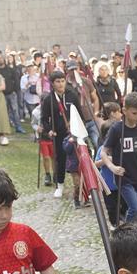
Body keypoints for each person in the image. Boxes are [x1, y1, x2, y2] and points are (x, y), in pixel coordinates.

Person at [101, 93, 137, 222]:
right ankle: (124, 231)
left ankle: (135, 238)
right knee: (135, 208)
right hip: (123, 177)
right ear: (124, 111)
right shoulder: (116, 129)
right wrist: (112, 167)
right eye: (134, 113)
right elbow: (104, 152)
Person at [40, 71, 81, 199]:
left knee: (78, 160)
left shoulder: (72, 95)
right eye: (57, 81)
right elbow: (44, 119)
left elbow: (79, 114)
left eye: (62, 81)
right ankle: (60, 185)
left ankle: (81, 186)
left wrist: (77, 127)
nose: (61, 84)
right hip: (58, 134)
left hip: (73, 133)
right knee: (60, 161)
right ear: (52, 83)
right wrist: (49, 130)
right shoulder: (48, 99)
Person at [0, 53, 25, 134]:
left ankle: (18, 127)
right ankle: (5, 128)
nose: (0, 59)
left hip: (11, 93)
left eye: (1, 58)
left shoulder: (10, 69)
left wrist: (15, 90)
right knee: (3, 112)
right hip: (0, 94)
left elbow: (16, 80)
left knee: (15, 111)